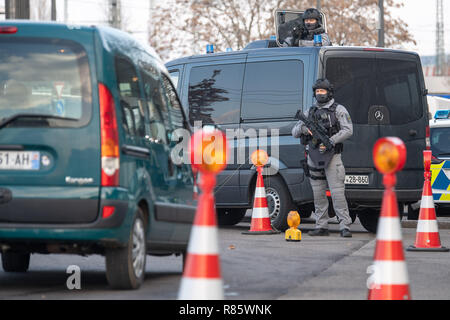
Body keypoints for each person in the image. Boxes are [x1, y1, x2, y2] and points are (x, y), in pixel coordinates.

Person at [292, 78, 353, 237]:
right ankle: (321, 225)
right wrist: (305, 128)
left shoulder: (338, 109)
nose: (320, 94)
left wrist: (331, 141)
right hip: (313, 155)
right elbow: (294, 132)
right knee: (318, 193)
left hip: (333, 156)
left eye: (323, 91)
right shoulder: (309, 111)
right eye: (317, 91)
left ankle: (344, 225)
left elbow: (348, 130)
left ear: (329, 92)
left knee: (337, 192)